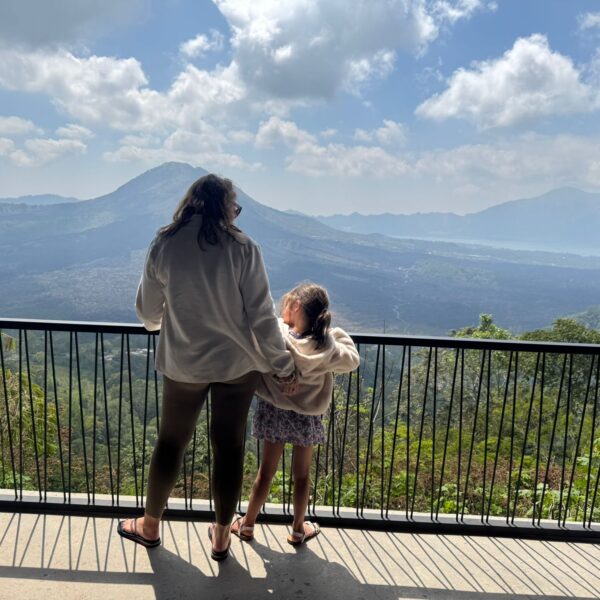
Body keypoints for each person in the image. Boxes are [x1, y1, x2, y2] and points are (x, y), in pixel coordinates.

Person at [117, 174, 297, 561]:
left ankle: (150, 526)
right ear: (226, 207)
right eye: (235, 207)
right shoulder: (244, 248)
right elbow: (262, 317)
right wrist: (283, 366)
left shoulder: (165, 243)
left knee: (171, 442)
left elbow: (148, 314)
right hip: (237, 364)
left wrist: (175, 319)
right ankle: (221, 538)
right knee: (229, 447)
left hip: (184, 363)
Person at [230, 283, 360, 545]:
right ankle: (298, 529)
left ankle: (248, 524)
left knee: (266, 473)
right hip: (306, 416)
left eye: (287, 303)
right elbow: (352, 360)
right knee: (301, 476)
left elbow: (260, 333)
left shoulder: (278, 337)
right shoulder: (326, 348)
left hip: (275, 410)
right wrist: (334, 333)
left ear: (296, 306)